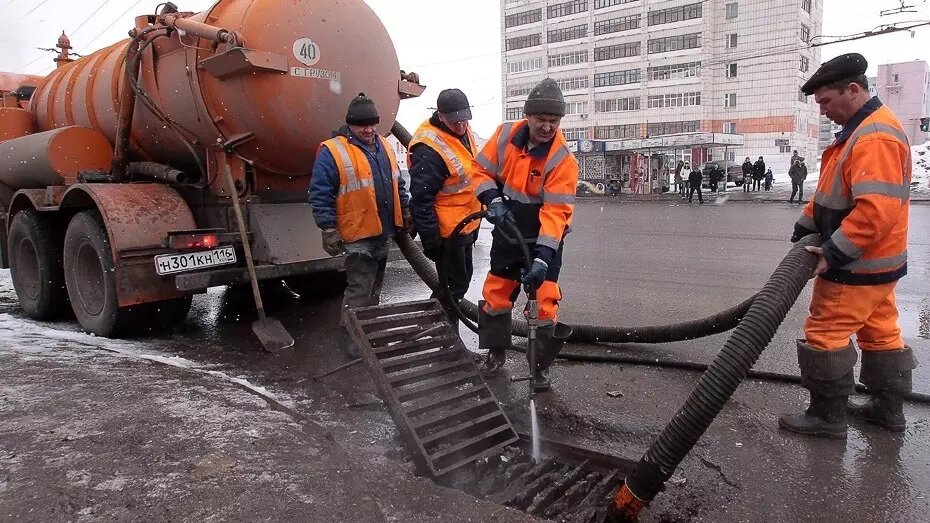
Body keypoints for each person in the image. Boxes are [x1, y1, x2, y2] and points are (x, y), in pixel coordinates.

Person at [780, 53, 915, 439]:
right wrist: (806, 224)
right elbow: (831, 192)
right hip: (878, 268)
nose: (823, 112)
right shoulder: (862, 131)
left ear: (852, 90)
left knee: (826, 332)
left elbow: (875, 209)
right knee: (881, 333)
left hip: (856, 266)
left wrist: (833, 252)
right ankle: (888, 410)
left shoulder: (873, 136)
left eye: (825, 102)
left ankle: (827, 416)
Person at [470, 77, 578, 392]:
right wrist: (493, 199)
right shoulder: (504, 135)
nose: (547, 127)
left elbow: (556, 213)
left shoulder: (561, 160)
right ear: (527, 116)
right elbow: (478, 170)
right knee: (498, 293)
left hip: (544, 239)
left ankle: (539, 366)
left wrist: (544, 258)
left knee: (543, 302)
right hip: (507, 234)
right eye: (541, 120)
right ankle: (496, 351)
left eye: (554, 121)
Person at [309, 93, 413, 358]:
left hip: (383, 230)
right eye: (361, 125)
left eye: (372, 123)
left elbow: (396, 182)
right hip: (358, 233)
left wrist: (406, 210)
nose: (368, 129)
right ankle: (353, 340)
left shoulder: (384, 146)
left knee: (374, 289)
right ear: (350, 125)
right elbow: (320, 193)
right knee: (359, 290)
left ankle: (369, 333)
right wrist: (328, 228)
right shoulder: (333, 150)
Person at [407, 88, 481, 331]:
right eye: (455, 120)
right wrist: (431, 241)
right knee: (453, 287)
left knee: (457, 283)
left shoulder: (462, 131)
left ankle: (437, 331)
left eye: (465, 118)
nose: (461, 124)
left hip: (466, 223)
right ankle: (442, 337)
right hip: (448, 230)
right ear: (440, 116)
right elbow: (421, 199)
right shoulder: (428, 148)